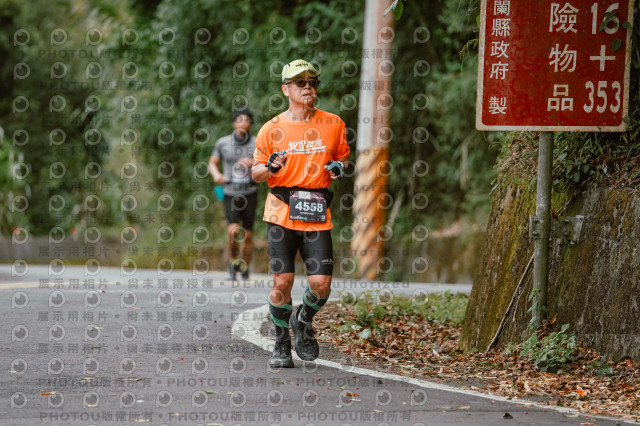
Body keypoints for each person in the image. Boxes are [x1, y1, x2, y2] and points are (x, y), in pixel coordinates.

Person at [252, 59, 350, 368]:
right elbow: (255, 172)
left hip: (317, 212)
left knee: (321, 284)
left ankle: (303, 321)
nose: (308, 87)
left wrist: (339, 167)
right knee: (282, 282)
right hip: (281, 211)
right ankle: (281, 342)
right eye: (300, 82)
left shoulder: (334, 123)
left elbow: (344, 159)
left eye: (312, 82)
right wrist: (270, 167)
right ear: (286, 89)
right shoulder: (271, 128)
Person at [208, 107, 258, 281]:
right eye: (239, 120)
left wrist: (253, 162)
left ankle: (245, 267)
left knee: (248, 234)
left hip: (250, 191)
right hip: (230, 192)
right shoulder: (223, 143)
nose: (242, 123)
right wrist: (216, 175)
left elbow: (267, 163)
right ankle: (233, 263)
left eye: (246, 120)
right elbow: (212, 163)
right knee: (233, 231)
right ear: (234, 123)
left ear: (250, 123)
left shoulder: (257, 143)